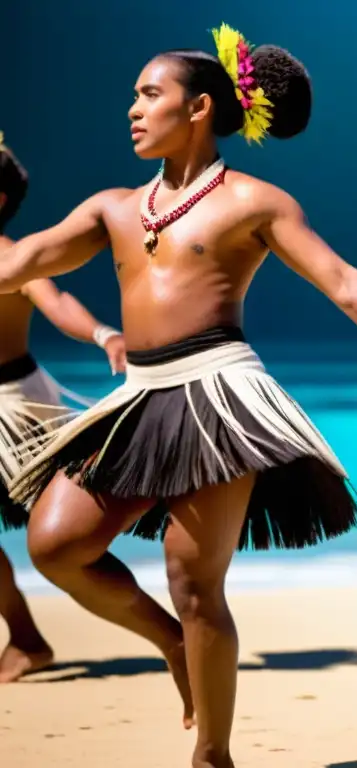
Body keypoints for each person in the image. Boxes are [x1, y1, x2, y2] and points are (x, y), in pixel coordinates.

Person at [0, 24, 357, 768]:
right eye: (133, 96)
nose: (133, 110)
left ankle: (212, 753)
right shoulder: (114, 207)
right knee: (56, 544)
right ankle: (175, 646)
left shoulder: (254, 201)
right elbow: (20, 260)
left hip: (218, 398)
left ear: (201, 107)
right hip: (139, 396)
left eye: (150, 95)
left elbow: (340, 280)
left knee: (193, 578)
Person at [0, 131, 126, 683]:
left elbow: (58, 302)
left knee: (64, 530)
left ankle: (32, 638)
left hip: (13, 405)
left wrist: (103, 335)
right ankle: (27, 640)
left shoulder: (13, 259)